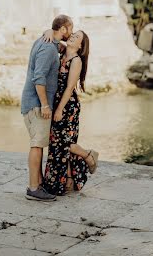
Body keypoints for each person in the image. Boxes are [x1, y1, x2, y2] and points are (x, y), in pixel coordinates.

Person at [21, 14, 73, 201]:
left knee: (39, 144)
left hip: (33, 103)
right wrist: (44, 104)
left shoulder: (48, 42)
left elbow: (62, 47)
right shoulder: (48, 48)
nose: (72, 32)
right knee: (37, 145)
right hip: (36, 104)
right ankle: (33, 188)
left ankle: (38, 184)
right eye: (71, 28)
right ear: (64, 29)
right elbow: (39, 78)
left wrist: (49, 31)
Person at [43, 30, 99, 195]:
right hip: (57, 102)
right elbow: (51, 35)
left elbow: (69, 88)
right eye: (73, 35)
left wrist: (59, 109)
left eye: (77, 37)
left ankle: (88, 155)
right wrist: (48, 31)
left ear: (81, 45)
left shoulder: (76, 61)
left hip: (68, 106)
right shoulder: (62, 52)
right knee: (56, 143)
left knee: (63, 143)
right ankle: (67, 181)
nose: (73, 37)